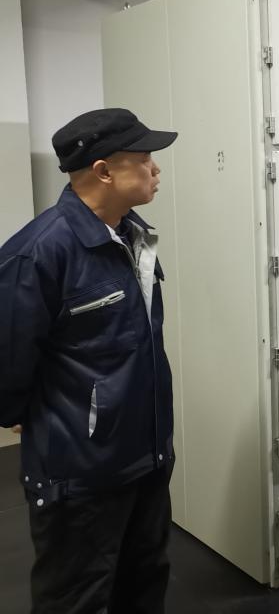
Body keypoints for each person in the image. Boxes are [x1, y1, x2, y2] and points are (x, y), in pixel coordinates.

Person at [0, 108, 178, 614]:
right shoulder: (38, 252)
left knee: (144, 583)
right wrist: (30, 415)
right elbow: (8, 364)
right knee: (76, 597)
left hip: (146, 455)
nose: (156, 170)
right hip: (79, 474)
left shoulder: (132, 235)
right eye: (144, 160)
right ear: (103, 171)